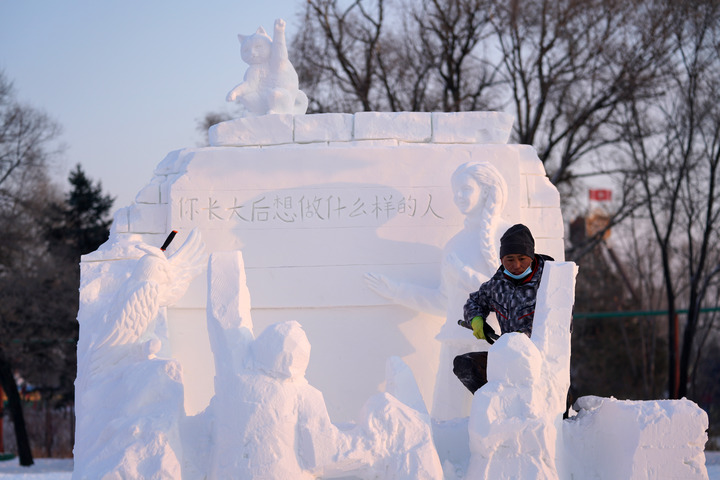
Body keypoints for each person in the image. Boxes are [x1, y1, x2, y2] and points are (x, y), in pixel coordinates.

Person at [365, 162, 512, 420]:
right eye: (456, 191)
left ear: (486, 189)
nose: (459, 197)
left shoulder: (508, 237)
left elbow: (511, 294)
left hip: (495, 344)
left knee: (496, 418)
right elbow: (443, 301)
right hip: (455, 341)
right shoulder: (454, 245)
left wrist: (465, 274)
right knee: (448, 420)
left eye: (466, 189)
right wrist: (397, 291)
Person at [453, 223, 553, 394]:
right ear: (501, 260)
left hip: (543, 364)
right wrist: (477, 320)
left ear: (532, 256)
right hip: (508, 358)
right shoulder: (498, 284)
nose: (516, 265)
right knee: (465, 364)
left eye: (522, 259)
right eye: (510, 259)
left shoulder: (550, 281)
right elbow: (474, 301)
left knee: (553, 403)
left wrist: (525, 339)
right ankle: (496, 404)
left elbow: (558, 324)